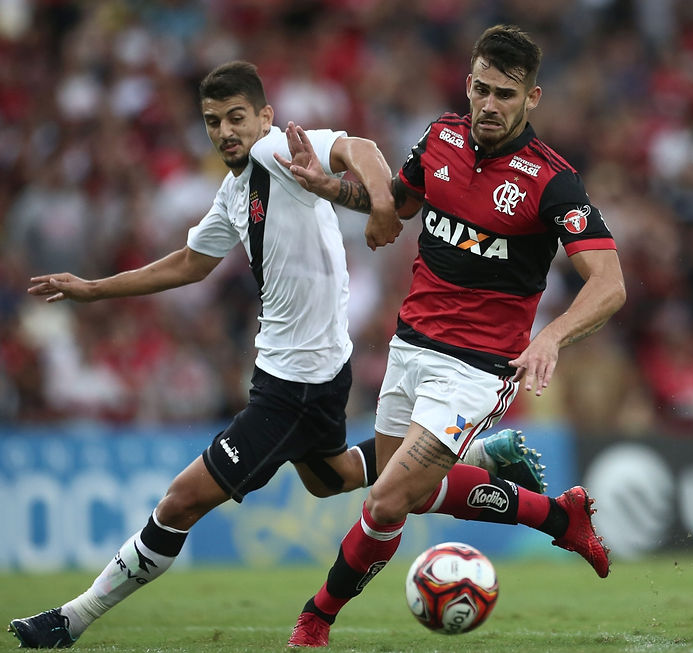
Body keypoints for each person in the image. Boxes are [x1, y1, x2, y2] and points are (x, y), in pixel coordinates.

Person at [7, 60, 544, 650]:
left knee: (179, 502)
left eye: (236, 117)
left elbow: (359, 148)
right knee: (332, 478)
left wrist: (383, 206)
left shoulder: (275, 152)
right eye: (213, 121)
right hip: (308, 373)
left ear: (264, 117)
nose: (225, 131)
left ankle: (72, 619)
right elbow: (190, 263)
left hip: (294, 386)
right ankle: (482, 453)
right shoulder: (235, 190)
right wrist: (93, 289)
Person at [279, 25, 627, 648]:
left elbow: (609, 283)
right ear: (468, 83)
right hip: (410, 344)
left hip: (477, 367)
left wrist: (551, 337)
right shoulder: (440, 137)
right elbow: (397, 203)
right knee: (407, 494)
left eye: (506, 95)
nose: (490, 104)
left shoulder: (552, 181)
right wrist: (332, 188)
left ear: (532, 98)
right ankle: (558, 515)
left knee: (386, 502)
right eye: (482, 89)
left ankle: (315, 618)